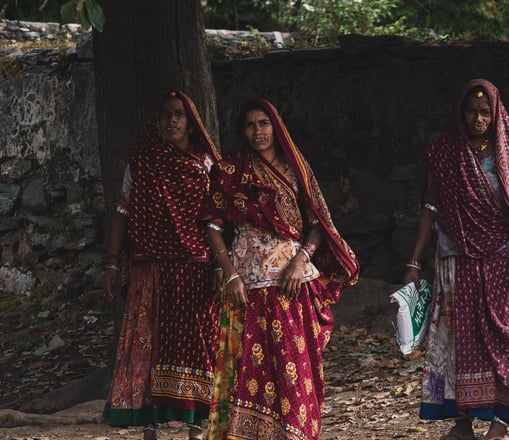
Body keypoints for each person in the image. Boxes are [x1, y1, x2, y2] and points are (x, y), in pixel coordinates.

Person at [403, 79, 509, 440]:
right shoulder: (444, 153)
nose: (478, 118)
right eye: (471, 111)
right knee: (460, 341)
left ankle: (504, 420)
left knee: (507, 337)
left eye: (485, 112)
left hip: (504, 258)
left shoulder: (508, 153)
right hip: (457, 261)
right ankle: (464, 420)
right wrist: (413, 261)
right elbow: (430, 207)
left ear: (496, 113)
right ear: (461, 112)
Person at [204, 98, 360, 439]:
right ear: (241, 131)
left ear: (276, 127)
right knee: (249, 372)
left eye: (264, 123)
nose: (257, 131)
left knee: (293, 371)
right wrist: (230, 274)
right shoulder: (229, 173)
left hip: (291, 285)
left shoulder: (296, 169)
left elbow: (316, 221)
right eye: (250, 124)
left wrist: (301, 259)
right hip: (245, 288)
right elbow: (213, 228)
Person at [102, 90, 222, 440]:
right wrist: (111, 262)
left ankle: (196, 423)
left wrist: (219, 266)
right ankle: (150, 424)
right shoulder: (142, 158)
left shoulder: (204, 162)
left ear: (191, 121)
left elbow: (218, 218)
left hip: (194, 265)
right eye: (167, 114)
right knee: (148, 343)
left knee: (197, 343)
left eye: (179, 115)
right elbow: (124, 211)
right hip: (149, 265)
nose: (172, 121)